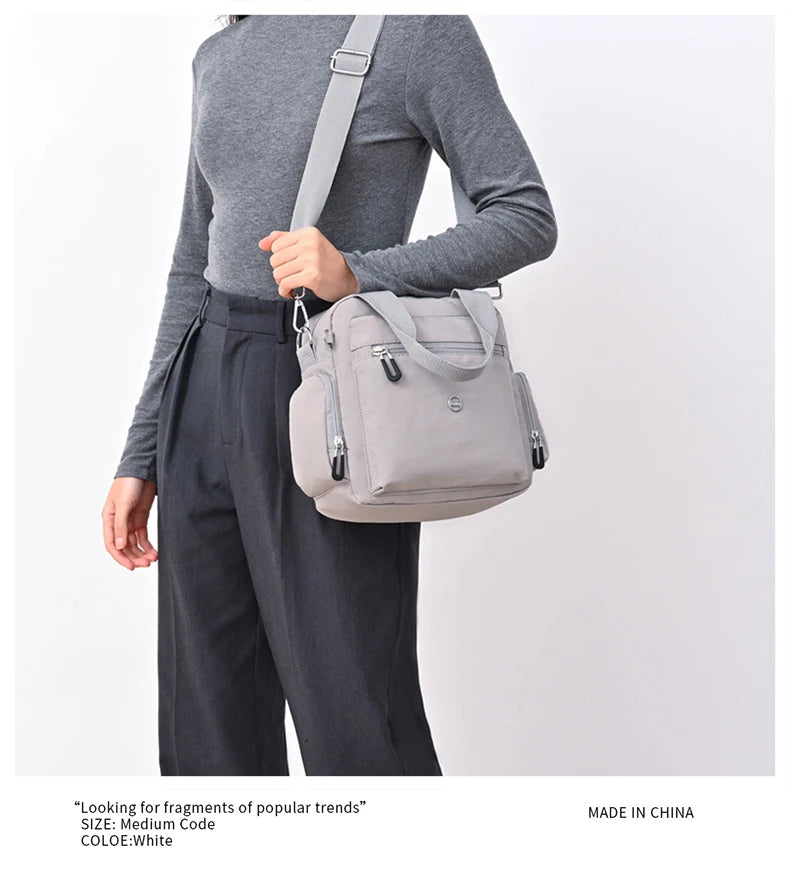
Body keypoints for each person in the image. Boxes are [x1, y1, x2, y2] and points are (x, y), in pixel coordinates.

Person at [101, 14, 558, 776]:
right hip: (204, 385)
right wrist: (142, 450)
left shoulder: (415, 32)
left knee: (357, 722)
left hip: (331, 385)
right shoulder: (222, 50)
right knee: (206, 729)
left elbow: (524, 215)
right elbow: (191, 263)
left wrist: (359, 273)